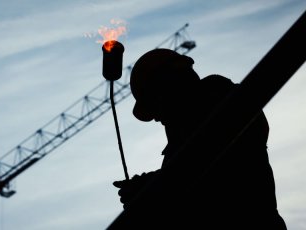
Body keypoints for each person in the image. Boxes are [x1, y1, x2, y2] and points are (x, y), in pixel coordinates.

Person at [111, 48, 286, 229]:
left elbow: (207, 171)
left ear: (170, 86)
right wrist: (147, 192)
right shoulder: (180, 145)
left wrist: (151, 189)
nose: (156, 117)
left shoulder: (227, 105)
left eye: (154, 102)